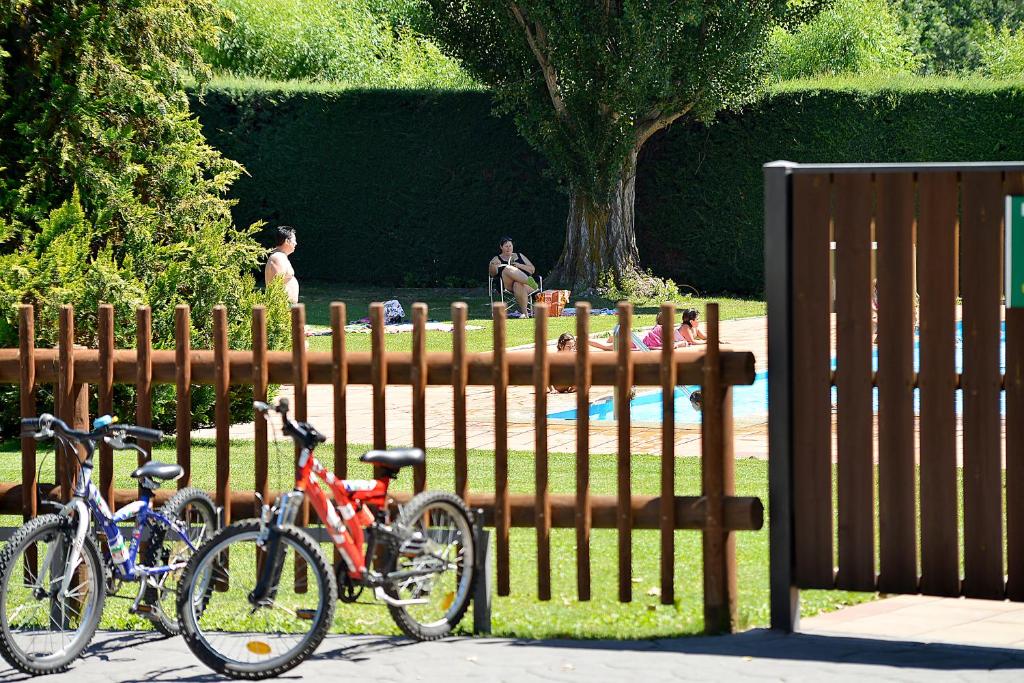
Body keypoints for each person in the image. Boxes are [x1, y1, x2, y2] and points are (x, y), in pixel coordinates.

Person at [488, 236, 538, 318]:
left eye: (510, 246)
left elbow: (532, 270)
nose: (508, 248)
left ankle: (525, 314)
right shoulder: (497, 259)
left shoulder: (520, 255)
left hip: (526, 286)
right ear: (501, 247)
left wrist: (519, 265)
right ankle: (529, 282)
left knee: (517, 284)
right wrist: (493, 265)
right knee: (507, 268)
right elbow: (493, 274)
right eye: (506, 246)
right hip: (507, 285)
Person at [265, 226, 299, 305]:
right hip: (282, 307)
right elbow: (276, 284)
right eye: (294, 240)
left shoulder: (281, 257)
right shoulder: (278, 257)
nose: (296, 243)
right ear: (287, 241)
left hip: (286, 306)